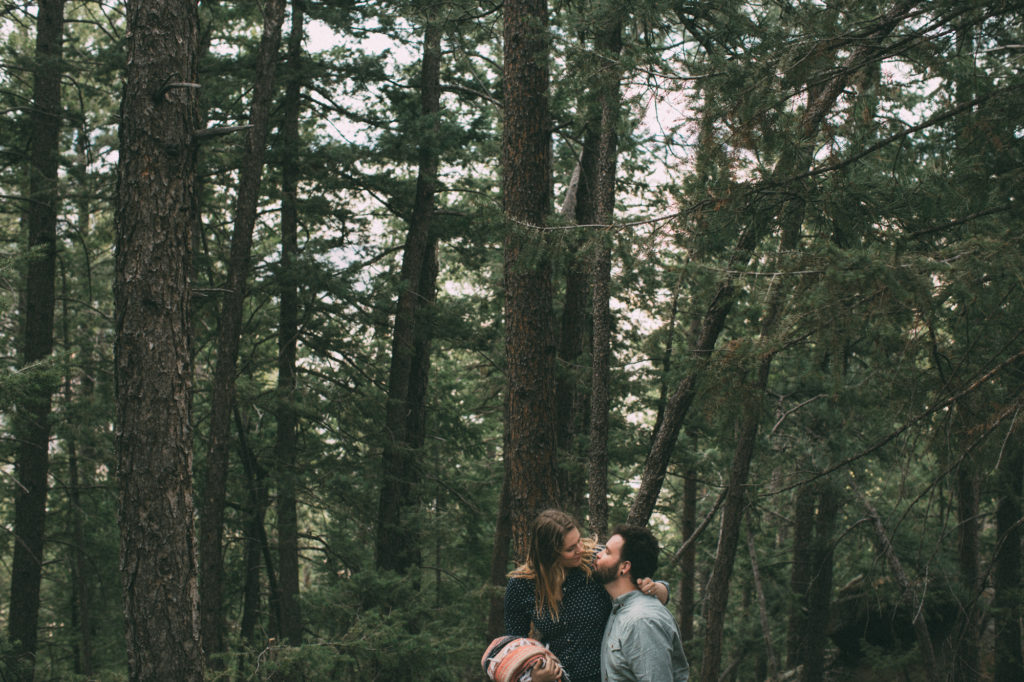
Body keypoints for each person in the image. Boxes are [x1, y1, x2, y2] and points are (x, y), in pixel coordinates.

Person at [504, 510, 669, 682]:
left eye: (579, 541)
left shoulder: (595, 562)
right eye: (570, 549)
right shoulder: (522, 585)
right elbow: (515, 645)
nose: (580, 549)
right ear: (550, 554)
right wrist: (533, 677)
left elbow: (635, 585)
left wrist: (657, 588)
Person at [595, 524, 689, 682]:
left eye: (607, 552)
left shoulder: (642, 621)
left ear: (624, 567)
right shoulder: (621, 608)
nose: (598, 554)